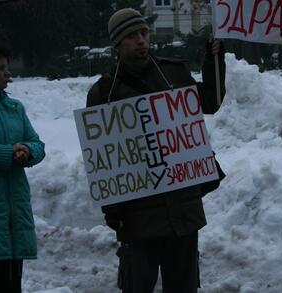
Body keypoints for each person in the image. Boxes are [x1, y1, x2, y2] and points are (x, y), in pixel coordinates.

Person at [86, 8, 226, 293]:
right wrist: (115, 214)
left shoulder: (173, 73)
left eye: (143, 33)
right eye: (131, 36)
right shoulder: (103, 93)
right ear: (117, 43)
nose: (140, 40)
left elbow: (210, 101)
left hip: (182, 212)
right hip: (139, 220)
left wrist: (213, 58)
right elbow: (106, 160)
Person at [0, 47, 45, 293]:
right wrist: (7, 153)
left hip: (15, 219)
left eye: (6, 66)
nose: (8, 73)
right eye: (1, 68)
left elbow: (37, 143)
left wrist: (27, 150)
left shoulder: (15, 108)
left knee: (13, 285)